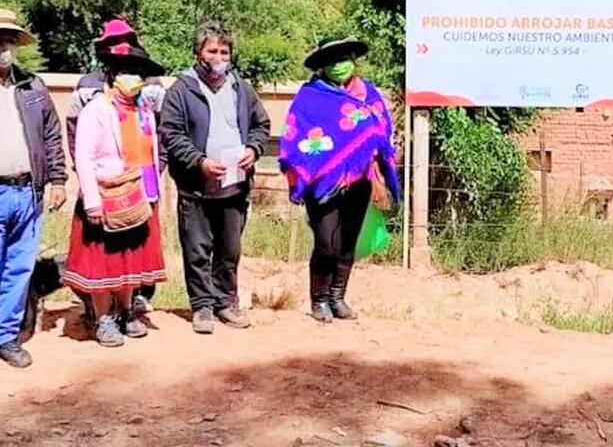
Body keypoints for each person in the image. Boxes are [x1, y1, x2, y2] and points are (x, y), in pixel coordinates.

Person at [279, 36, 399, 323]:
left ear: (353, 59)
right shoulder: (310, 97)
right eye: (332, 60)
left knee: (347, 242)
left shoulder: (368, 94)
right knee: (325, 243)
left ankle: (337, 296)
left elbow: (381, 133)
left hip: (360, 181)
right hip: (323, 183)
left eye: (344, 58)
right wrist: (314, 170)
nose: (339, 65)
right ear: (322, 66)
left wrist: (380, 176)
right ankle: (318, 299)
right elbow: (295, 138)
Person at [159, 21, 269, 334]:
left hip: (234, 185)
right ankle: (202, 306)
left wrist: (254, 148)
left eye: (224, 51)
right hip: (197, 186)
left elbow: (261, 125)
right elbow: (171, 133)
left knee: (229, 249)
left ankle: (225, 302)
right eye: (212, 50)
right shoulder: (182, 90)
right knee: (197, 248)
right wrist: (199, 161)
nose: (218, 57)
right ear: (198, 53)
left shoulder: (241, 87)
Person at [64, 42, 168, 347]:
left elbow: (151, 155)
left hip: (137, 197)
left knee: (129, 260)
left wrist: (151, 196)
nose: (132, 77)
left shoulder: (144, 112)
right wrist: (92, 200)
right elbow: (84, 157)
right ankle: (103, 317)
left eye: (137, 72)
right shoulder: (96, 110)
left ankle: (125, 310)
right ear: (111, 73)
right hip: (105, 196)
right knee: (103, 262)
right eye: (125, 71)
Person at [0, 11, 66, 368]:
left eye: (8, 41)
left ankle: (6, 336)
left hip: (28, 192)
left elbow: (52, 137)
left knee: (19, 267)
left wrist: (57, 180)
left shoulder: (33, 88)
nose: (3, 48)